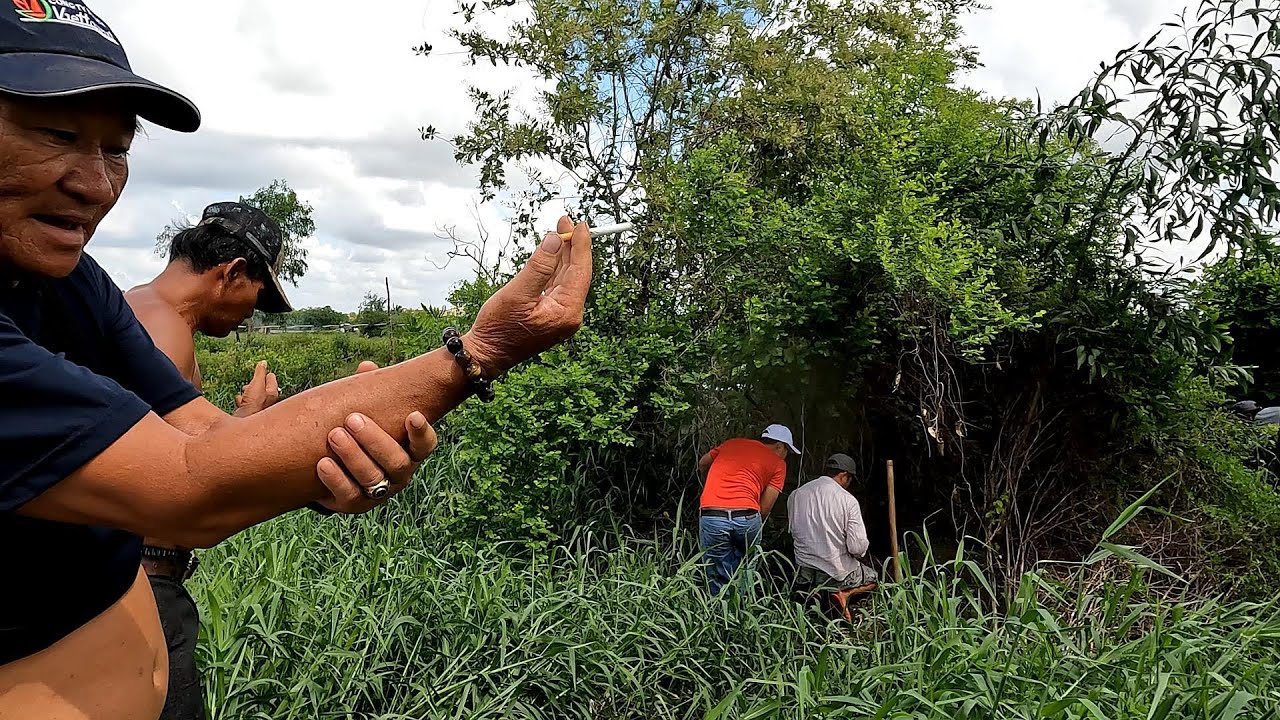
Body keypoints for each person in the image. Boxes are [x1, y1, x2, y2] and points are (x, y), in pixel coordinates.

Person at [0, 3, 595, 718]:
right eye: (58, 134)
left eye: (118, 149)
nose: (96, 184)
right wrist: (481, 353)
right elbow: (189, 487)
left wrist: (318, 455)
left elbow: (206, 441)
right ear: (230, 273)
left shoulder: (72, 283)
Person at [123, 201, 323, 720]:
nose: (251, 315)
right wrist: (258, 430)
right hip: (140, 585)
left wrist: (240, 421)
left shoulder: (131, 309)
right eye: (258, 298)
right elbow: (174, 479)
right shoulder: (164, 335)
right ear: (233, 273)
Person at [696, 424, 798, 595]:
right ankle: (740, 606)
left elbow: (703, 462)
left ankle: (717, 612)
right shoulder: (778, 463)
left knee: (715, 570)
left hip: (712, 514)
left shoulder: (732, 444)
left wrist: (711, 484)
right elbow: (764, 509)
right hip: (747, 516)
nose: (786, 457)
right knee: (747, 565)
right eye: (787, 452)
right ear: (779, 446)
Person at [787, 453, 878, 620]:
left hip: (803, 571)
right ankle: (844, 594)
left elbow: (793, 531)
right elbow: (857, 548)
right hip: (835, 573)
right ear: (844, 476)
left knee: (811, 576)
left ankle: (813, 595)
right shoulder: (847, 501)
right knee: (873, 578)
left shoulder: (796, 495)